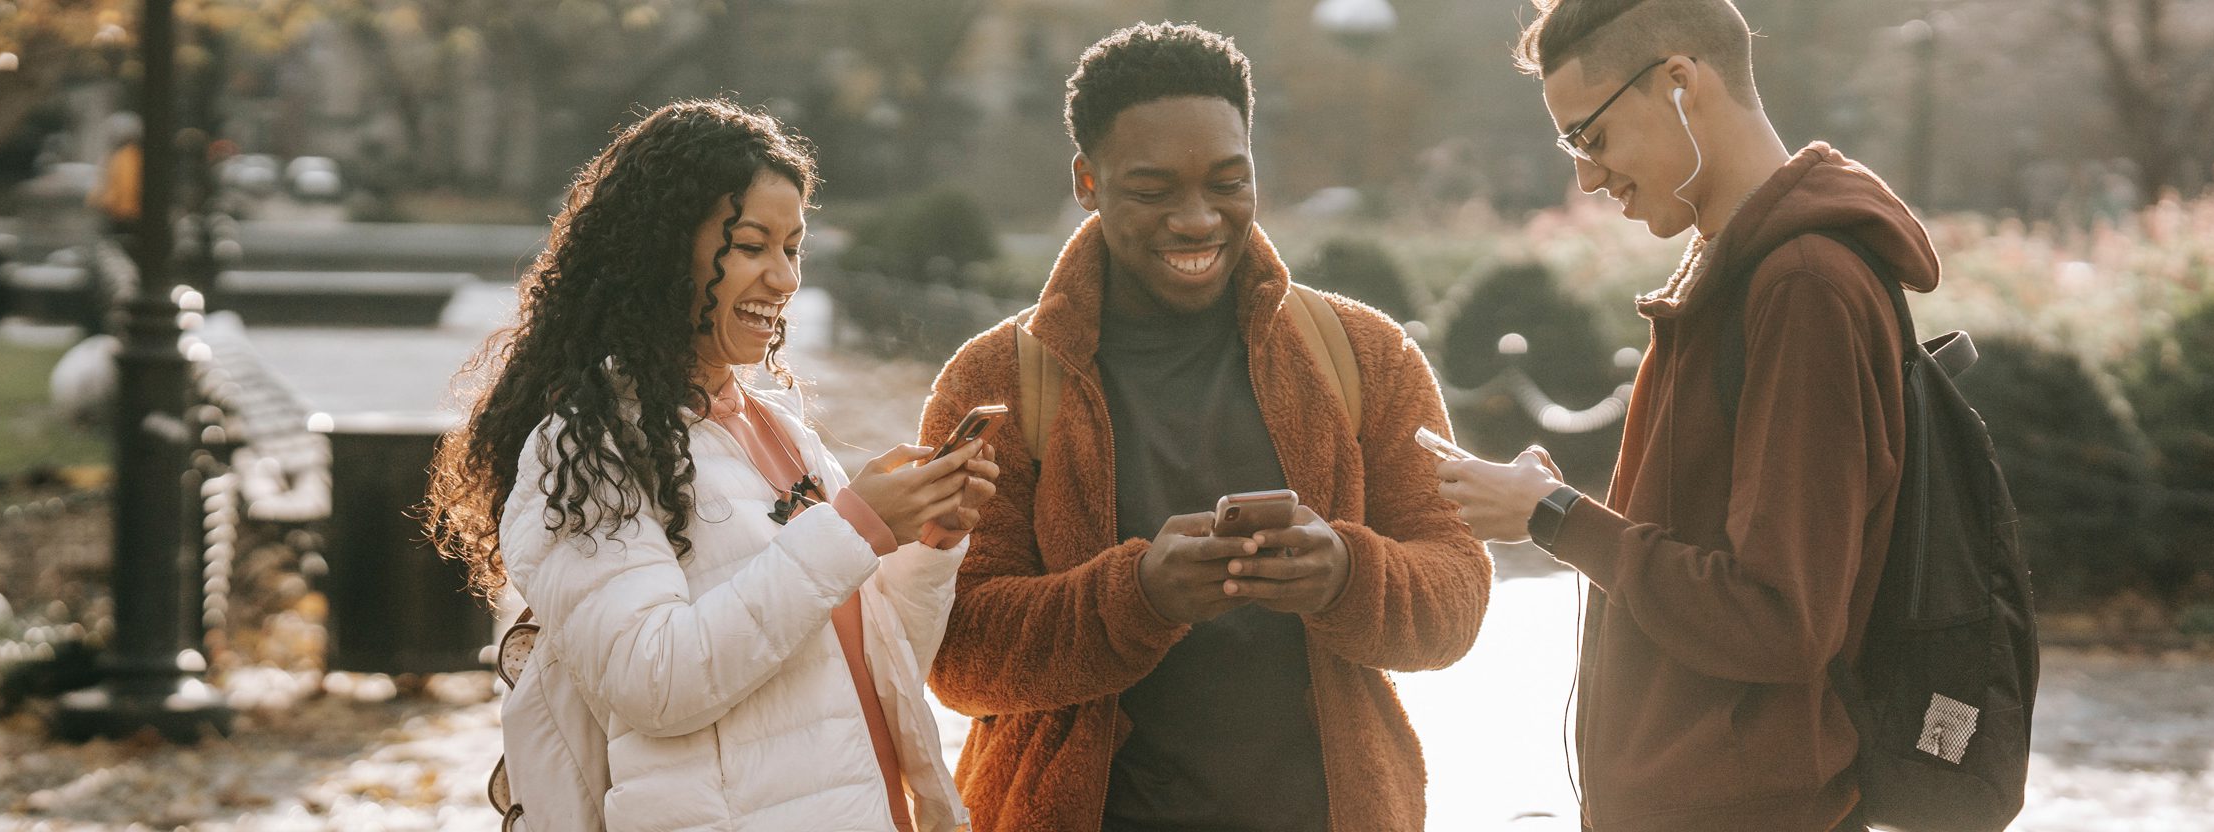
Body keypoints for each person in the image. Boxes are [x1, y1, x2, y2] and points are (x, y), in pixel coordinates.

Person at [918, 23, 1491, 831]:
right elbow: (956, 653)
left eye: (1229, 182)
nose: (1197, 220)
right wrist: (1137, 595)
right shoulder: (997, 383)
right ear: (1087, 180)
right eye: (1153, 191)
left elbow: (1457, 594)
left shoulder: (1364, 354)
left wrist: (1346, 576)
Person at [1435, 1, 1943, 830]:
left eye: (1590, 138)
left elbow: (1780, 620)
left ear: (1679, 83)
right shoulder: (1734, 269)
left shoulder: (1802, 285)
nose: (1588, 178)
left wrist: (1553, 518)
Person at [424, 99, 996, 832]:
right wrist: (855, 527)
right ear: (663, 251)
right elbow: (654, 683)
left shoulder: (782, 435)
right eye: (752, 245)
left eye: (792, 248)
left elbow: (868, 681)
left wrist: (926, 544)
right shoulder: (593, 448)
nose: (784, 278)